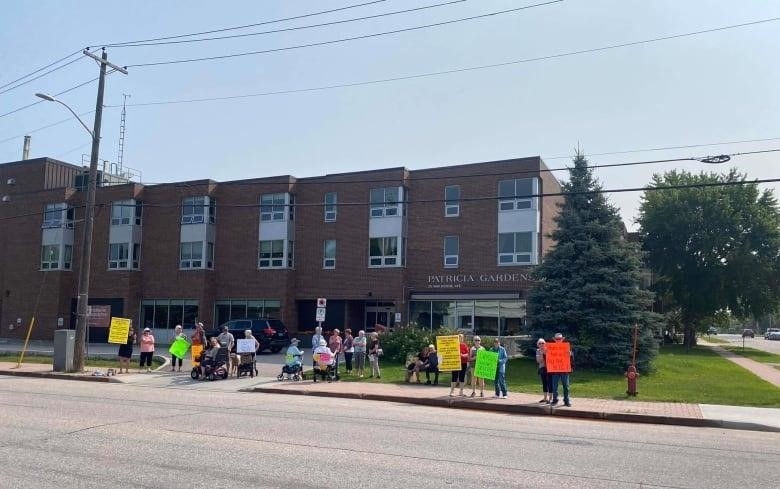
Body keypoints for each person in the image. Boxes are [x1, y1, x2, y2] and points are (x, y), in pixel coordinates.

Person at [550, 333, 574, 407]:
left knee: (566, 386)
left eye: (559, 338)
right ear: (554, 339)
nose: (558, 340)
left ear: (562, 339)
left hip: (564, 370)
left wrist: (571, 354)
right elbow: (548, 359)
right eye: (557, 339)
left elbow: (572, 359)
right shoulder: (551, 347)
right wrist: (546, 353)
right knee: (554, 386)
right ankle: (555, 400)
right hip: (555, 370)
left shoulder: (566, 347)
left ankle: (566, 401)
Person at [535, 338, 552, 403]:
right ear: (538, 345)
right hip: (542, 368)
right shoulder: (538, 351)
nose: (541, 344)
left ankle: (550, 399)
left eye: (542, 343)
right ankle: (545, 398)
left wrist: (546, 352)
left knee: (550, 383)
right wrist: (542, 354)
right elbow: (538, 360)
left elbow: (551, 358)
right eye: (539, 343)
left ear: (545, 344)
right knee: (544, 383)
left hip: (549, 369)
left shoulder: (548, 350)